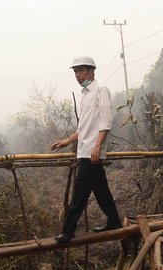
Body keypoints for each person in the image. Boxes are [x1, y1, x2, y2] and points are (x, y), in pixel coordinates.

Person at [51, 56, 122, 243]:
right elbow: (83, 128)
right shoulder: (85, 95)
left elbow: (106, 122)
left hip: (92, 152)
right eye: (75, 72)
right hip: (85, 150)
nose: (78, 75)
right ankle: (114, 221)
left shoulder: (101, 91)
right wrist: (67, 141)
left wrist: (97, 146)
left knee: (80, 193)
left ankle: (67, 231)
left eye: (81, 71)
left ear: (92, 71)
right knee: (101, 191)